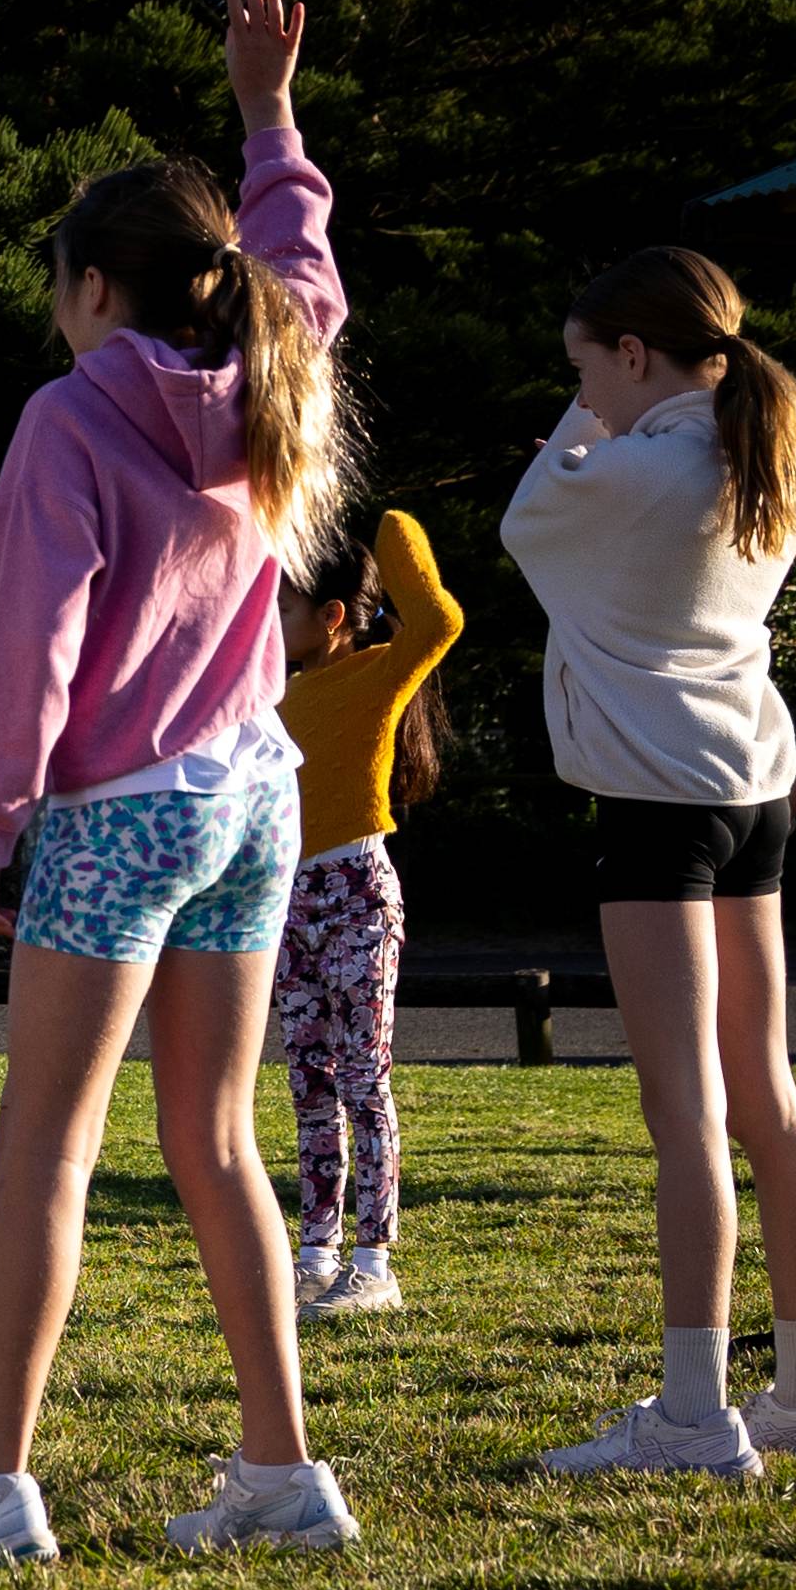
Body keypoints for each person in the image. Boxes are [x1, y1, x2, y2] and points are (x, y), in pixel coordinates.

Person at [0, 0, 366, 1571]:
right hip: (252, 796)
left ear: (96, 285)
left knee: (47, 1144)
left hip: (115, 816)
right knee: (216, 1138)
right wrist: (266, 111)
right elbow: (298, 262)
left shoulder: (68, 425)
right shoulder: (274, 377)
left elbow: (30, 645)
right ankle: (282, 1471)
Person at [504, 246, 796, 1480]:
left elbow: (523, 517)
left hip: (654, 808)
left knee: (684, 1116)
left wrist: (591, 403)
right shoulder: (783, 430)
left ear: (636, 354)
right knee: (761, 1091)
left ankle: (694, 1415)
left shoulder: (634, 471)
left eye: (584, 364)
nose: (580, 392)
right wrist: (618, 375)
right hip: (752, 787)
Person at [270, 509, 462, 1319]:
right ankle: (315, 1252)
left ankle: (373, 1263)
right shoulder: (272, 691)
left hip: (355, 890)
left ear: (333, 616)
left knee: (361, 1081)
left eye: (286, 606)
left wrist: (381, 519)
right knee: (308, 1082)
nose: (270, 623)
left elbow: (441, 616)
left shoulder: (383, 669)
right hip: (288, 899)